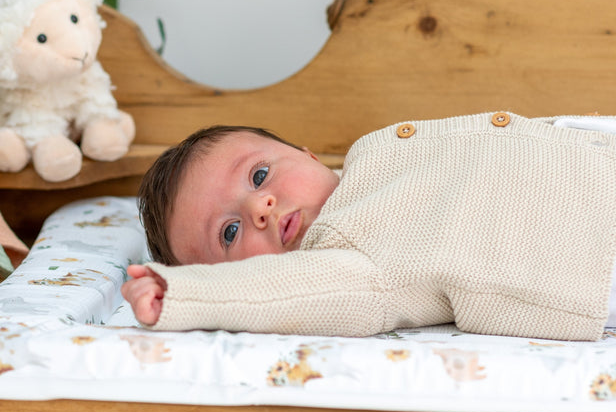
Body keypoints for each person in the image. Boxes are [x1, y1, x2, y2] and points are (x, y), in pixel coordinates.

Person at [121, 112, 616, 341]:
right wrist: (182, 294)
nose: (261, 207)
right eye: (229, 233)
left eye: (259, 175)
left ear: (308, 155)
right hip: (592, 249)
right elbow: (274, 293)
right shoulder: (346, 260)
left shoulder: (373, 156)